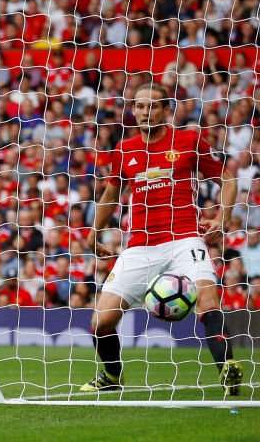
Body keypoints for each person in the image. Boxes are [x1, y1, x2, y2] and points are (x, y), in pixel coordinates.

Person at [82, 83, 243, 394]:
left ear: (167, 110)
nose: (146, 112)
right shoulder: (124, 149)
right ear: (133, 110)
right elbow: (113, 192)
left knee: (208, 301)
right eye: (140, 106)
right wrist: (94, 230)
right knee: (100, 322)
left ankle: (227, 369)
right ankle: (112, 376)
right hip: (140, 245)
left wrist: (222, 219)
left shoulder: (188, 140)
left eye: (153, 106)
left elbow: (227, 178)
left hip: (184, 237)